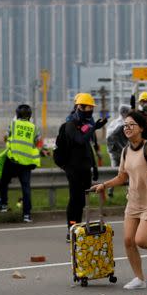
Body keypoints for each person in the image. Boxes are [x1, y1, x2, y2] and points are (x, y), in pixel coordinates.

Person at [92, 111, 147, 290]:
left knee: (140, 240)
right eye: (125, 125)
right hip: (133, 201)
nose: (127, 128)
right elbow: (121, 177)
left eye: (131, 124)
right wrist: (104, 185)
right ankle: (139, 279)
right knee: (128, 240)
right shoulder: (126, 151)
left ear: (141, 128)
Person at [61, 93, 101, 234]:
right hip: (72, 167)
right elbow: (80, 140)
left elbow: (87, 147)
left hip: (85, 167)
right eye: (87, 107)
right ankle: (71, 228)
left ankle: (77, 226)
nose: (90, 110)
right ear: (79, 107)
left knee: (82, 200)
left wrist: (94, 166)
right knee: (75, 199)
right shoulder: (70, 123)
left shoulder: (88, 123)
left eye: (92, 107)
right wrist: (93, 128)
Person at [0, 104, 41, 223]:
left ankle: (3, 206)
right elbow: (37, 142)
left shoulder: (13, 124)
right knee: (26, 189)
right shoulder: (34, 128)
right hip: (26, 163)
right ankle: (27, 215)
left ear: (17, 114)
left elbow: (5, 137)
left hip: (12, 160)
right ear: (30, 115)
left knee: (3, 182)